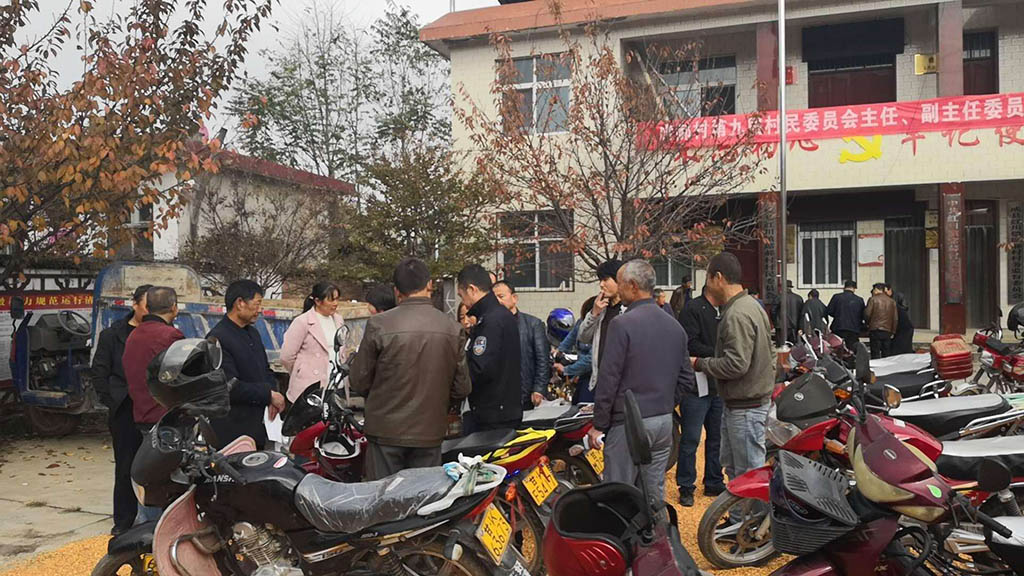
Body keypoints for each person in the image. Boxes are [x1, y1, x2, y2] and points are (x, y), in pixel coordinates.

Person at [350, 258, 472, 480]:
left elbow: (359, 381)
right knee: (423, 495)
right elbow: (462, 387)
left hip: (385, 431)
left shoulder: (379, 324)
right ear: (430, 285)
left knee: (383, 494)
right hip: (430, 432)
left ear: (397, 291)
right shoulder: (452, 328)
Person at [589, 260, 694, 503]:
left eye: (621, 283)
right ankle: (655, 527)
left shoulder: (622, 324)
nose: (619, 289)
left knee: (619, 494)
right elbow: (687, 378)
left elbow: (609, 378)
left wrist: (599, 424)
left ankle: (625, 530)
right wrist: (665, 402)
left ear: (633, 286)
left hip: (628, 422)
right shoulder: (674, 326)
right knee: (653, 494)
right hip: (663, 421)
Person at [691, 253, 775, 481]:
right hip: (747, 404)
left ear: (718, 278)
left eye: (707, 279)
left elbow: (736, 364)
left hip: (746, 408)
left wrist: (700, 363)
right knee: (738, 474)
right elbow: (771, 353)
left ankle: (751, 508)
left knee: (748, 478)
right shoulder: (752, 306)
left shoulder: (737, 313)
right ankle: (739, 507)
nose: (707, 287)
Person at [92, 284, 150, 535]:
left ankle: (153, 519)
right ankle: (123, 521)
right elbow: (99, 371)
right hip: (124, 409)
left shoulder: (161, 334)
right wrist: (113, 400)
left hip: (152, 409)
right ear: (134, 304)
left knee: (154, 467)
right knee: (125, 466)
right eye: (146, 305)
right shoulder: (113, 335)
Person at [207, 280, 286, 449]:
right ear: (240, 303)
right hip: (234, 429)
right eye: (257, 304)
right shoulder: (218, 338)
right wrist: (268, 394)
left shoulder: (253, 333)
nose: (260, 309)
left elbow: (265, 370)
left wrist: (272, 393)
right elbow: (228, 385)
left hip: (257, 424)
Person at [675, 285, 725, 506]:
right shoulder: (692, 309)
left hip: (720, 384)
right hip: (696, 385)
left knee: (717, 438)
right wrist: (719, 355)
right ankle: (686, 485)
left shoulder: (726, 309)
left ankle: (714, 480)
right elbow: (689, 343)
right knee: (691, 438)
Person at [456, 264, 522, 432]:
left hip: (493, 414)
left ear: (472, 289)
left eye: (461, 295)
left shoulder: (491, 321)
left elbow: (480, 368)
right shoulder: (498, 315)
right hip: (501, 409)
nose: (463, 302)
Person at [123, 286, 183, 430]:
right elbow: (183, 377)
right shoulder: (170, 335)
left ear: (147, 307)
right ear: (174, 307)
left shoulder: (134, 334)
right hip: (165, 417)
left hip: (141, 413)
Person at [280, 282, 347, 403]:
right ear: (317, 301)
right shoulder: (302, 321)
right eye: (331, 300)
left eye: (337, 299)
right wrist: (302, 371)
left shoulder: (338, 320)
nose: (335, 303)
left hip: (335, 385)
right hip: (310, 387)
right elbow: (287, 356)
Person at [493, 281, 549, 410]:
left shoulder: (533, 324)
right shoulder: (491, 326)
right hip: (499, 395)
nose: (498, 301)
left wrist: (539, 389)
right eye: (494, 298)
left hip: (525, 393)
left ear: (514, 298)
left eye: (501, 296)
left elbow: (542, 359)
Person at [578, 260, 626, 393]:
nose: (601, 285)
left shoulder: (628, 310)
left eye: (605, 279)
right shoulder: (602, 309)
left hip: (622, 385)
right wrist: (594, 314)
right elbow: (583, 337)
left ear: (619, 280)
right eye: (600, 280)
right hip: (600, 383)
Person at [555, 297, 596, 404]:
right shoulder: (581, 322)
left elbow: (591, 359)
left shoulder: (599, 328)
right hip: (582, 373)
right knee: (576, 402)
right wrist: (558, 350)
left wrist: (567, 370)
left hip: (592, 376)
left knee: (583, 404)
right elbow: (572, 336)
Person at [826, 280, 866, 351]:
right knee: (851, 349)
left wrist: (838, 315)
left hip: (838, 327)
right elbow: (863, 315)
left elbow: (829, 311)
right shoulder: (859, 300)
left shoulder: (836, 297)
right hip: (853, 329)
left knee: (838, 348)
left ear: (844, 287)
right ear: (854, 288)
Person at [865, 283, 899, 359]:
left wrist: (868, 324)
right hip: (887, 330)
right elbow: (895, 318)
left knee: (875, 352)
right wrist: (893, 331)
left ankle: (876, 365)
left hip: (875, 329)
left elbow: (867, 314)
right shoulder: (892, 301)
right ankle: (885, 365)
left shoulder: (873, 299)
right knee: (886, 352)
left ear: (876, 289)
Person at [774, 280, 804, 345]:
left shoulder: (778, 297)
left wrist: (775, 322)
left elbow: (773, 311)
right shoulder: (798, 298)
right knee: (793, 346)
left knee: (781, 346)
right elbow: (802, 314)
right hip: (794, 326)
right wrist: (800, 326)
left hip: (781, 326)